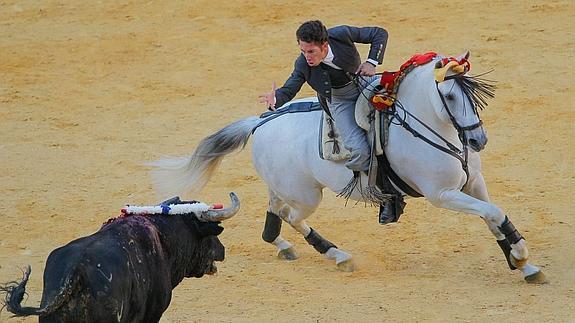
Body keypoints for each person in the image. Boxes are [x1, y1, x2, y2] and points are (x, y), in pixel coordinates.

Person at [259, 20, 400, 224]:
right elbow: (290, 87)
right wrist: (276, 99)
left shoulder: (341, 34)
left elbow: (379, 33)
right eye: (303, 51)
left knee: (404, 92)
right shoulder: (302, 64)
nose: (307, 56)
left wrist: (371, 62)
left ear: (325, 46)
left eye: (311, 51)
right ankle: (386, 198)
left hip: (364, 82)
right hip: (339, 101)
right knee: (359, 149)